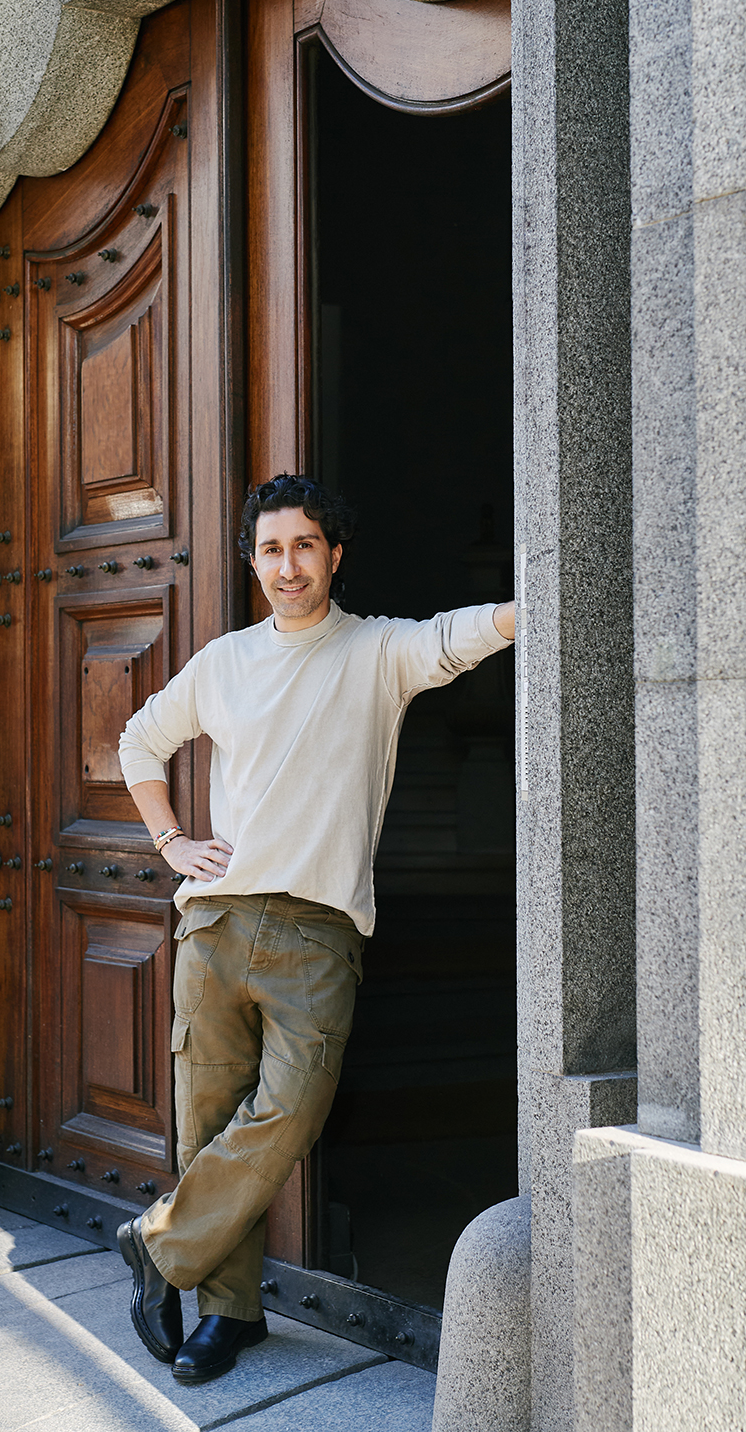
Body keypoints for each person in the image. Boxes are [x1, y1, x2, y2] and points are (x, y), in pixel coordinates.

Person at [115, 472, 515, 1385]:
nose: (286, 566)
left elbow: (454, 638)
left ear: (334, 554)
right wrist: (171, 839)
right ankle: (229, 1317)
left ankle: (157, 1243)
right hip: (214, 925)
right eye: (269, 549)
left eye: (304, 546)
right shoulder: (222, 661)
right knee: (208, 1127)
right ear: (252, 559)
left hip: (318, 934)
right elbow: (139, 741)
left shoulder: (377, 652)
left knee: (287, 1115)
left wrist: (530, 607)